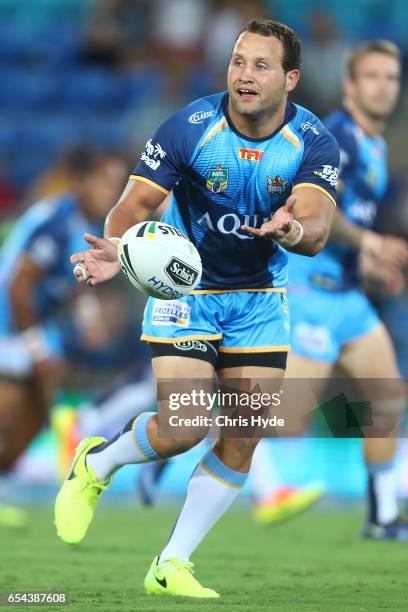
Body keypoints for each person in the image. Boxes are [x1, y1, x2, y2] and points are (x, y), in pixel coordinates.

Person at [55, 18, 339, 598]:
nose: (245, 75)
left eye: (261, 65)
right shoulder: (190, 126)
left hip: (260, 298)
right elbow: (136, 200)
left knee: (242, 434)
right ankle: (96, 463)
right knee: (184, 427)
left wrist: (291, 231)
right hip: (186, 292)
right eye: (238, 62)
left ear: (291, 79)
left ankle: (171, 563)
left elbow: (316, 224)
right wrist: (121, 246)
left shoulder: (313, 142)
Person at [286, 41, 408, 539]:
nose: (385, 86)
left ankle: (381, 516)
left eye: (392, 77)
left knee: (387, 397)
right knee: (283, 418)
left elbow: (345, 224)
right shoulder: (336, 138)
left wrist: (368, 265)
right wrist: (373, 244)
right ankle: (169, 440)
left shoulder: (375, 145)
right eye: (373, 76)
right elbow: (318, 213)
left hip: (346, 295)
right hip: (310, 290)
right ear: (350, 86)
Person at [0, 146, 126, 524]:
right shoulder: (57, 221)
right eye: (105, 182)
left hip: (38, 317)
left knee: (40, 407)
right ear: (83, 181)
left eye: (116, 185)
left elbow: (70, 279)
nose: (111, 192)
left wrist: (87, 317)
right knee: (12, 407)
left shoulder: (88, 222)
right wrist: (36, 346)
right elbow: (20, 285)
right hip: (10, 317)